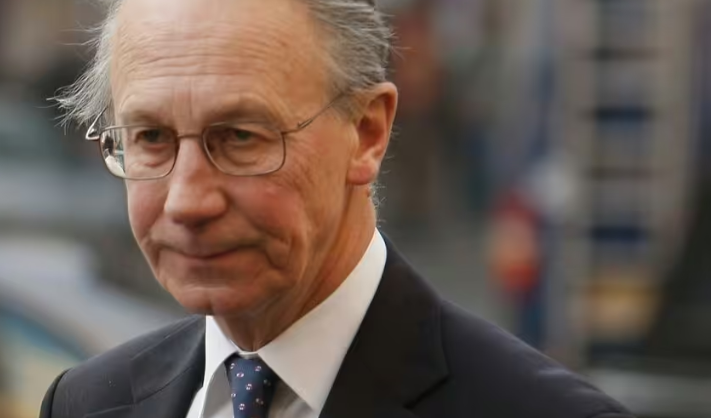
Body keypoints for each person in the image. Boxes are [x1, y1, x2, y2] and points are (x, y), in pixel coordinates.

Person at [40, 0, 635, 417]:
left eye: (241, 137)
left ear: (367, 134)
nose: (188, 200)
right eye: (150, 138)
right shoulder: (86, 404)